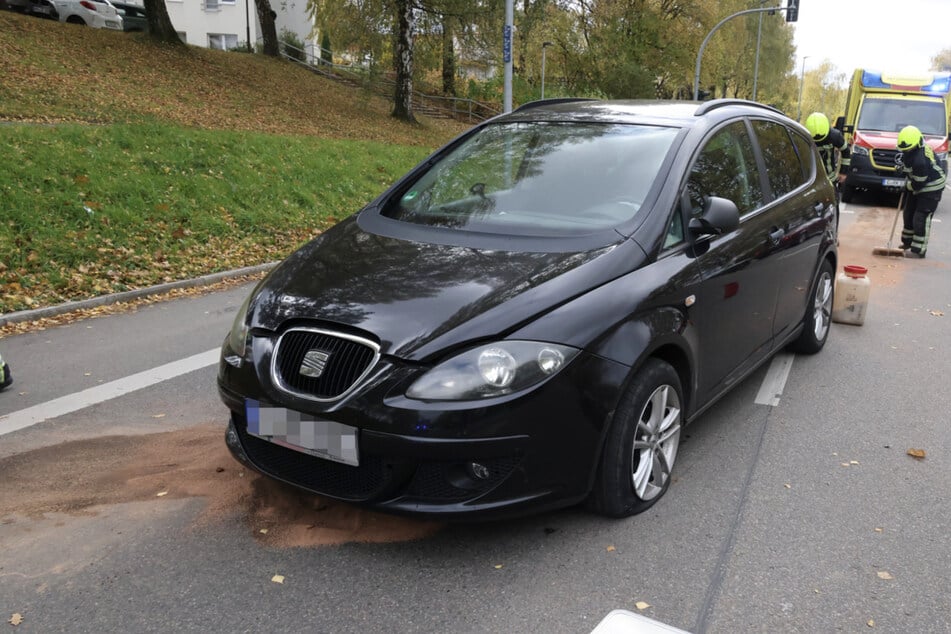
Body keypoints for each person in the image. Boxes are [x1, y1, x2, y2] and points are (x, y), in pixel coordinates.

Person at [897, 125, 946, 258]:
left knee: (920, 217)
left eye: (909, 149)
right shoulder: (911, 151)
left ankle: (919, 249)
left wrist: (907, 187)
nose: (907, 151)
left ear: (917, 144)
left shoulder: (920, 160)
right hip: (920, 184)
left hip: (932, 187)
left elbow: (919, 182)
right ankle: (907, 242)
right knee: (908, 213)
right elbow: (910, 170)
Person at [805, 112, 850, 188]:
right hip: (808, 179)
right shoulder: (803, 137)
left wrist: (843, 172)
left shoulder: (835, 136)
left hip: (829, 178)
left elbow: (846, 151)